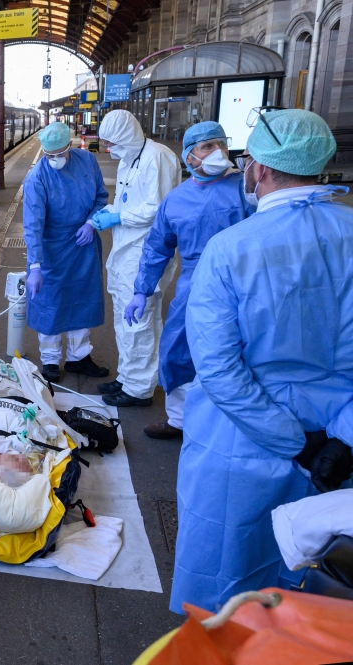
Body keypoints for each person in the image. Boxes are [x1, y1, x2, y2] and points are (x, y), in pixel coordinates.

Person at [171, 108, 353, 614]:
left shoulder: (229, 250)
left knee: (227, 579)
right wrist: (337, 438)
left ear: (260, 169)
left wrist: (296, 440)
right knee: (317, 586)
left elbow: (221, 371)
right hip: (339, 455)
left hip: (242, 447)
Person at [124, 122, 253, 439]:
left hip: (244, 284)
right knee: (178, 349)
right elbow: (157, 248)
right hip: (194, 285)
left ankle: (235, 421)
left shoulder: (247, 191)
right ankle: (179, 420)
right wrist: (141, 290)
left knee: (241, 350)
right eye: (207, 146)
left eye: (220, 144)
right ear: (189, 156)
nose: (217, 152)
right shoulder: (176, 200)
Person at [93, 109, 181, 407]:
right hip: (125, 251)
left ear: (127, 137)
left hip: (146, 253)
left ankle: (139, 389)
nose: (109, 150)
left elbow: (159, 209)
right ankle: (127, 376)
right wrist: (109, 213)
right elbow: (123, 199)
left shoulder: (159, 157)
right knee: (123, 318)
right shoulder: (128, 160)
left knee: (140, 322)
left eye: (112, 143)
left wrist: (119, 216)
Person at [22, 121, 110, 382]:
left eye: (59, 154)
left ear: (69, 146)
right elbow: (33, 224)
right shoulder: (37, 178)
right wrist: (35, 267)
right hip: (50, 247)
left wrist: (92, 222)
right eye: (50, 155)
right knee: (50, 302)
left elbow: (101, 198)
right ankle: (49, 360)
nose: (55, 160)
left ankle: (79, 357)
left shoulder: (87, 161)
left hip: (83, 243)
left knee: (81, 298)